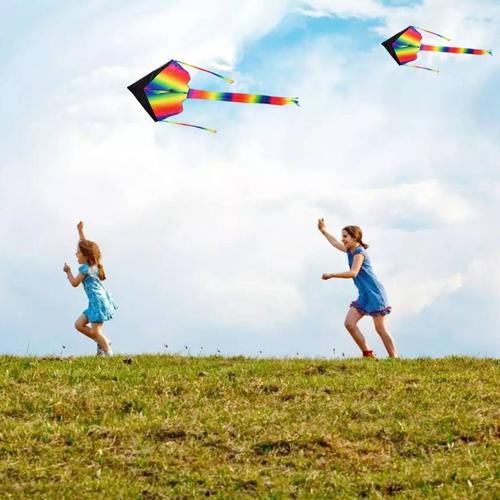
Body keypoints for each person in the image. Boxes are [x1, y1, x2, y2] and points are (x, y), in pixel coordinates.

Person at [318, 218, 398, 358]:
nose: (342, 239)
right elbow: (334, 243)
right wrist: (323, 231)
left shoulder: (359, 253)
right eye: (342, 236)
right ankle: (368, 354)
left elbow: (353, 273)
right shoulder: (350, 250)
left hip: (374, 293)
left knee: (380, 328)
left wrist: (332, 274)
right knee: (349, 323)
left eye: (345, 236)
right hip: (364, 294)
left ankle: (395, 358)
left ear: (355, 238)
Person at [63, 221, 117, 356]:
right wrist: (80, 231)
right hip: (95, 303)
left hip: (98, 303)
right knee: (79, 325)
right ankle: (103, 341)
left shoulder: (86, 269)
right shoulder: (94, 264)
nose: (76, 254)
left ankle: (108, 352)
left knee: (95, 331)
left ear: (86, 255)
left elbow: (75, 283)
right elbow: (84, 244)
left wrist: (68, 272)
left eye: (78, 253)